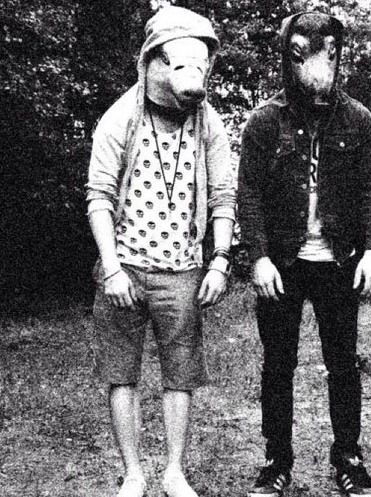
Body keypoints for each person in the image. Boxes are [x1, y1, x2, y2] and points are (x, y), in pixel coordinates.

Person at [86, 6, 236, 497]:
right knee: (121, 373)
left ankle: (174, 471)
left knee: (181, 375)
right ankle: (133, 474)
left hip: (183, 270)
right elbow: (99, 197)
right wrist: (112, 269)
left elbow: (223, 197)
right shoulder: (119, 117)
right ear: (152, 61)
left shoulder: (209, 124)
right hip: (125, 268)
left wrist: (219, 260)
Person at [238, 12, 371, 497]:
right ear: (288, 57)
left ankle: (348, 458)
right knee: (277, 365)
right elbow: (249, 193)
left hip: (339, 261)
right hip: (282, 264)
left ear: (338, 56)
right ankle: (276, 461)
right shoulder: (265, 120)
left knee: (343, 364)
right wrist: (258, 256)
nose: (316, 65)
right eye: (301, 53)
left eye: (328, 52)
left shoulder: (358, 119)